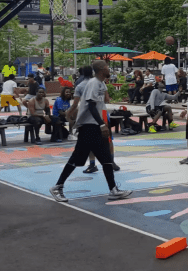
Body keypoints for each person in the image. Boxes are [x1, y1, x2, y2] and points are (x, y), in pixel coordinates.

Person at [50, 60, 132, 202]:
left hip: (94, 126)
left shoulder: (101, 83)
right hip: (88, 127)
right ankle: (57, 186)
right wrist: (101, 124)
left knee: (106, 158)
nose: (109, 69)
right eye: (107, 67)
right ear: (101, 69)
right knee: (76, 158)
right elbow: (92, 106)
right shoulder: (94, 83)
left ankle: (113, 190)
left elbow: (101, 102)